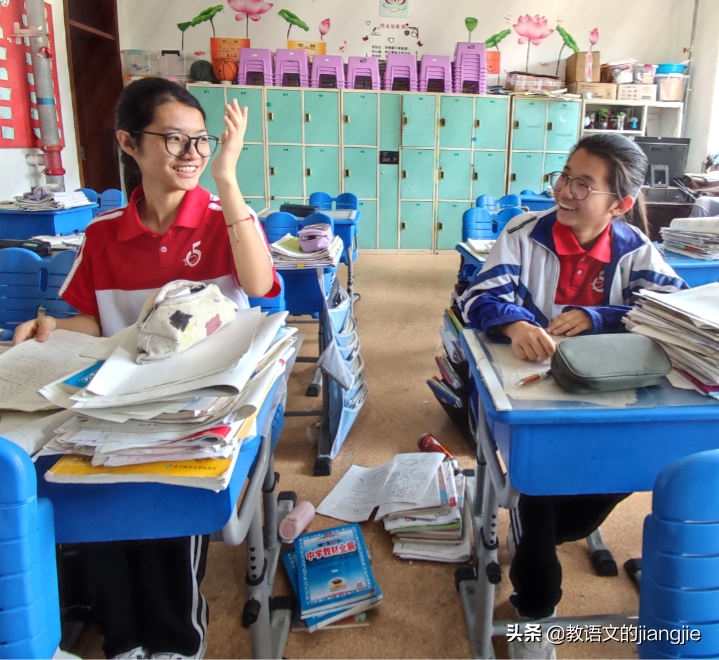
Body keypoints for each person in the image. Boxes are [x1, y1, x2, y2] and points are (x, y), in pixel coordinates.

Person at [13, 78, 280, 660]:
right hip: (117, 402)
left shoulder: (222, 218)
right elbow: (97, 324)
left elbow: (260, 287)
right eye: (173, 140)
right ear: (129, 144)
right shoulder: (102, 234)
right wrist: (51, 329)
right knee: (96, 507)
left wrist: (228, 180)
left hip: (199, 405)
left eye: (201, 140)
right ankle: (126, 641)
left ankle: (176, 643)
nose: (192, 154)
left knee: (162, 513)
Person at [459, 133, 687, 660]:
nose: (565, 191)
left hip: (612, 400)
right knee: (538, 497)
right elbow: (479, 296)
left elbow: (672, 308)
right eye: (564, 176)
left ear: (620, 203)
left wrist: (598, 317)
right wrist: (514, 322)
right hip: (533, 397)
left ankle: (554, 526)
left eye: (583, 185)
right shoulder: (523, 234)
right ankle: (536, 616)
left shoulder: (634, 248)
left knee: (613, 486)